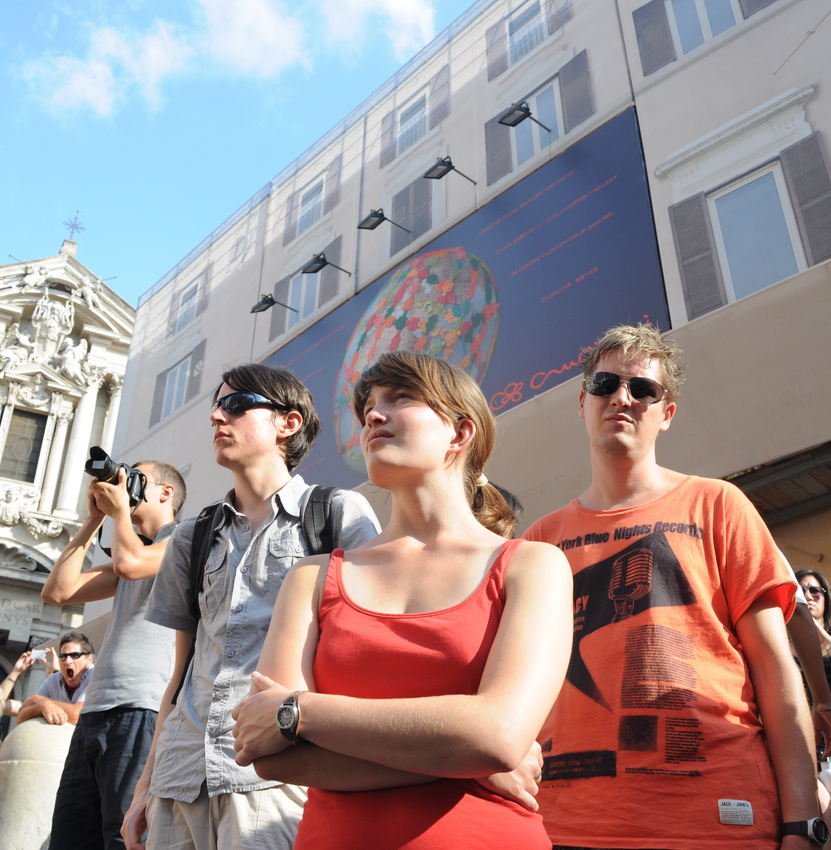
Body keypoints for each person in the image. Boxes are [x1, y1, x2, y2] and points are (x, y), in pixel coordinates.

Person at [231, 351, 573, 849]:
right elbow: (271, 754)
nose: (372, 415)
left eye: (401, 398)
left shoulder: (533, 565)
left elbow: (497, 735)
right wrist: (464, 764)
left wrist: (301, 711)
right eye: (368, 404)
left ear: (460, 432)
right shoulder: (311, 577)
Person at [523, 323, 824, 849]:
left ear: (666, 414)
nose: (622, 397)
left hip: (717, 821)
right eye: (605, 384)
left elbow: (777, 673)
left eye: (643, 389)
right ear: (582, 402)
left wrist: (804, 822)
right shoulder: (539, 541)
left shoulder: (719, 505)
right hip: (566, 826)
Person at [122, 363, 380, 850]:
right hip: (179, 780)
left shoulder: (336, 514)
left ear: (289, 423)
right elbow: (180, 676)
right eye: (215, 407)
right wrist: (142, 788)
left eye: (236, 404)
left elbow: (370, 656)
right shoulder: (190, 538)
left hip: (277, 778)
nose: (219, 417)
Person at [41, 459, 185, 850]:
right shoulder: (130, 551)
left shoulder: (186, 539)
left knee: (122, 837)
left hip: (142, 710)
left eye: (135, 479)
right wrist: (93, 521)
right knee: (70, 838)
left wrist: (119, 510)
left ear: (165, 493)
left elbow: (130, 564)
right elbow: (57, 591)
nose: (123, 486)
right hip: (93, 714)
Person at [12, 632, 95, 725]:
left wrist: (42, 701)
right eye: (63, 656)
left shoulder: (96, 677)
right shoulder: (54, 680)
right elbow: (21, 717)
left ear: (89, 659)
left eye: (74, 655)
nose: (67, 661)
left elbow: (77, 716)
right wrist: (42, 706)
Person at [1, 646, 60, 718]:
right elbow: (1, 703)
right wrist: (16, 672)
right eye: (49, 673)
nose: (52, 677)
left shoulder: (72, 702)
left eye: (56, 676)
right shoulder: (32, 705)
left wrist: (56, 673)